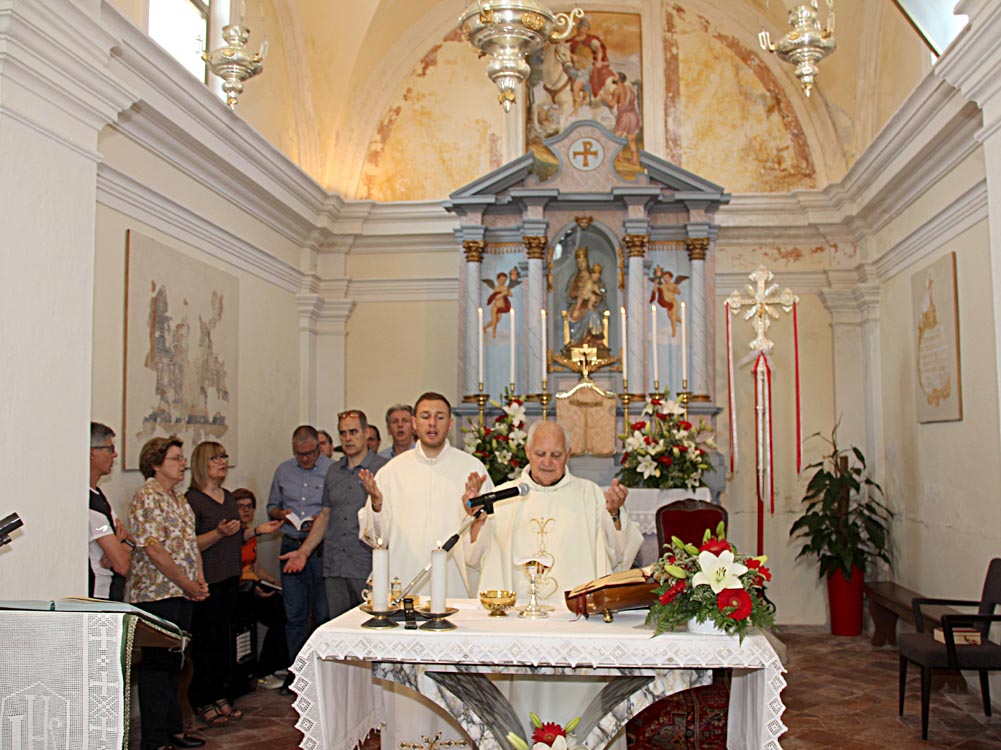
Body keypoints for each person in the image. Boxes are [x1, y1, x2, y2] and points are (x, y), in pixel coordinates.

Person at [358, 392, 492, 750]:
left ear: (450, 423)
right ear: (414, 423)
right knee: (408, 689)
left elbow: (486, 541)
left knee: (456, 684)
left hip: (456, 593)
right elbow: (376, 537)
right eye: (425, 416)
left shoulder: (472, 469)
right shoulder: (392, 472)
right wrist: (377, 504)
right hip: (407, 593)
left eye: (440, 416)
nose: (432, 423)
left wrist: (476, 516)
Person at [477, 420, 642, 601]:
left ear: (568, 454)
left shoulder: (589, 494)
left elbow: (617, 553)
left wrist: (614, 513)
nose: (547, 462)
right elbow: (476, 556)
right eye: (540, 453)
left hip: (574, 610)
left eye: (556, 455)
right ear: (527, 451)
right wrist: (476, 520)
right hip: (517, 610)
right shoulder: (503, 497)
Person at [187, 441, 281, 725]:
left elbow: (235, 537)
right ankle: (203, 700)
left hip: (230, 578)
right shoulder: (192, 500)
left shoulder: (227, 497)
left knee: (223, 641)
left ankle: (221, 696)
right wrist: (217, 533)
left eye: (224, 457)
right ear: (202, 463)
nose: (222, 462)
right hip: (207, 580)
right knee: (205, 642)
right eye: (215, 458)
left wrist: (257, 531)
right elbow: (189, 545)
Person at [128, 436, 208, 750]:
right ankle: (154, 739)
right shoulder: (147, 497)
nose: (183, 463)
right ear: (155, 464)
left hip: (182, 591)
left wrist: (199, 579)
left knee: (177, 663)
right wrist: (185, 583)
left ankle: (174, 729)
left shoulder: (178, 498)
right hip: (157, 593)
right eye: (175, 458)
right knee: (157, 667)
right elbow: (155, 550)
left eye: (182, 458)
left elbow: (190, 543)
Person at [282, 410, 389, 619]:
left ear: (366, 433)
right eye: (343, 433)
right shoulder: (333, 471)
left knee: (372, 624)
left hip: (368, 565)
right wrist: (304, 551)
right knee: (337, 625)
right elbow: (325, 515)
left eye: (353, 432)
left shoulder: (384, 469)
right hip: (335, 565)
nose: (347, 438)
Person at [266, 425, 333, 693]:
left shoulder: (331, 470)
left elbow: (336, 511)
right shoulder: (283, 470)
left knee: (323, 613)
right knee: (294, 615)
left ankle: (323, 674)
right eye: (299, 454)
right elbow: (271, 506)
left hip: (319, 549)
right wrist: (281, 514)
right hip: (290, 545)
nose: (304, 459)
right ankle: (296, 673)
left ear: (319, 448)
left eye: (309, 453)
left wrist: (320, 521)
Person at [234, 488, 288, 686]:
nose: (246, 510)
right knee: (278, 614)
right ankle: (264, 670)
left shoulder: (252, 534)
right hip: (239, 589)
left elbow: (257, 568)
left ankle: (279, 663)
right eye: (241, 506)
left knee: (288, 608)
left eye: (249, 506)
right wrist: (255, 589)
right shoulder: (234, 536)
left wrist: (275, 582)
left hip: (253, 583)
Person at [88, 422, 133, 601]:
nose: (114, 455)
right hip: (99, 595)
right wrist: (118, 543)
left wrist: (121, 544)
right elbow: (122, 565)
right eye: (110, 449)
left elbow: (129, 539)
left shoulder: (98, 494)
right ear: (92, 453)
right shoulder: (89, 504)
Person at [602, 72, 641, 166]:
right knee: (631, 139)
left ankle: (620, 157)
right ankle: (634, 159)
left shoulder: (617, 89)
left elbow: (612, 104)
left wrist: (605, 98)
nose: (613, 77)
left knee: (616, 138)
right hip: (633, 115)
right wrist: (612, 93)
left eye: (615, 76)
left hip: (624, 116)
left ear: (619, 79)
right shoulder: (629, 88)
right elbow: (624, 95)